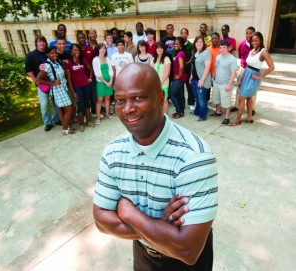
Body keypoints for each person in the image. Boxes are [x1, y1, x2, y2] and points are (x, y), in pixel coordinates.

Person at [93, 63, 218, 271]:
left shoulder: (194, 156)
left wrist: (129, 213)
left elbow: (188, 250)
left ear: (161, 98)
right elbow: (102, 221)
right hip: (143, 257)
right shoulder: (112, 152)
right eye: (120, 101)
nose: (128, 109)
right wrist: (160, 226)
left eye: (138, 98)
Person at [229, 32, 274, 126]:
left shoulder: (264, 51)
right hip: (246, 74)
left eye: (256, 40)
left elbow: (271, 67)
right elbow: (248, 65)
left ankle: (237, 120)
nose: (254, 42)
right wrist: (242, 77)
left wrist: (260, 76)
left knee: (242, 98)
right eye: (252, 40)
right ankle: (249, 118)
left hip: (253, 76)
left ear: (261, 40)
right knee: (249, 98)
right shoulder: (252, 50)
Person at [37, 46, 75, 135]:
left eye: (55, 53)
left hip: (62, 88)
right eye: (52, 53)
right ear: (47, 54)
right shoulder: (47, 65)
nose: (54, 54)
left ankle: (65, 127)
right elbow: (39, 79)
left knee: (60, 109)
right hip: (57, 90)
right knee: (69, 109)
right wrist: (52, 83)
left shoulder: (56, 63)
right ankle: (65, 129)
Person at [25, 35, 60, 131]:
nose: (41, 43)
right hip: (42, 84)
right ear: (36, 43)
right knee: (44, 104)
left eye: (43, 41)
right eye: (39, 41)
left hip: (53, 81)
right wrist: (35, 80)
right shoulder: (31, 55)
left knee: (56, 102)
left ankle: (56, 119)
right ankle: (48, 122)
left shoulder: (49, 53)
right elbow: (28, 70)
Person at [64, 43, 95, 132]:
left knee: (87, 104)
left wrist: (89, 78)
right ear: (71, 51)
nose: (76, 52)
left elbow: (90, 69)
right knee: (80, 106)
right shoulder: (68, 63)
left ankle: (88, 121)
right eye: (74, 50)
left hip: (86, 85)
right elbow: (69, 79)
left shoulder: (82, 60)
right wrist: (73, 92)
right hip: (77, 88)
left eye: (77, 50)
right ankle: (81, 124)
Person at [211, 40, 237, 125]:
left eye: (224, 47)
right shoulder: (218, 57)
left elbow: (233, 72)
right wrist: (213, 77)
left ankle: (227, 118)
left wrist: (229, 84)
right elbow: (216, 67)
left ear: (228, 48)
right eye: (220, 47)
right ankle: (218, 112)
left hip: (225, 83)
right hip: (217, 82)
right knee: (216, 98)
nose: (222, 49)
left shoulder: (232, 59)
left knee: (226, 101)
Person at [231, 26, 256, 114]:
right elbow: (240, 56)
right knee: (239, 87)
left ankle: (251, 108)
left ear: (254, 34)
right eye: (247, 33)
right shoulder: (242, 44)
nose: (248, 35)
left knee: (252, 89)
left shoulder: (258, 45)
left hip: (252, 70)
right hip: (243, 68)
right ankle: (237, 105)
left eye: (251, 33)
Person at [189, 36, 212, 121]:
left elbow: (207, 67)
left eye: (201, 42)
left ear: (203, 43)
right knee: (197, 97)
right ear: (194, 43)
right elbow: (193, 64)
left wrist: (202, 80)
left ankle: (203, 116)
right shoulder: (194, 52)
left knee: (202, 99)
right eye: (197, 42)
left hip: (202, 80)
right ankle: (197, 111)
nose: (199, 44)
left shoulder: (206, 53)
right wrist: (191, 76)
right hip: (194, 79)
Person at [92, 43, 114, 125]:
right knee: (100, 100)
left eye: (104, 48)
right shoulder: (95, 60)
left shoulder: (107, 58)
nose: (103, 50)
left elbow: (111, 70)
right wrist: (106, 82)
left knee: (108, 98)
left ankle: (107, 113)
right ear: (98, 50)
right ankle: (98, 116)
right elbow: (97, 74)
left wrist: (111, 81)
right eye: (101, 48)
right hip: (101, 82)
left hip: (109, 82)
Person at [77, 32, 97, 117]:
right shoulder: (76, 50)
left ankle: (94, 111)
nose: (81, 40)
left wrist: (92, 76)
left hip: (90, 76)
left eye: (83, 38)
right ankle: (84, 113)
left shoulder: (90, 49)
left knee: (93, 95)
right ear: (77, 39)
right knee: (83, 97)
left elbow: (94, 62)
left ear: (86, 38)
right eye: (79, 38)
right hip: (80, 77)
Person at [169, 37, 187, 119]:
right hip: (181, 77)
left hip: (180, 78)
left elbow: (181, 66)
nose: (175, 45)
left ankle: (179, 111)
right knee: (180, 95)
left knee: (172, 94)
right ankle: (181, 111)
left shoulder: (180, 54)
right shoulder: (179, 53)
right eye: (174, 44)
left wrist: (179, 75)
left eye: (177, 44)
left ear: (181, 45)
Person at [151, 42, 171, 113]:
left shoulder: (166, 59)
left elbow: (167, 72)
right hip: (155, 84)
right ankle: (159, 116)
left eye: (161, 48)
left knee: (165, 100)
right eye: (158, 48)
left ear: (163, 49)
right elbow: (151, 72)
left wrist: (161, 82)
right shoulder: (153, 59)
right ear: (156, 49)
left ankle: (166, 116)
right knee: (156, 100)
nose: (159, 50)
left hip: (164, 83)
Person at [180, 28, 195, 110]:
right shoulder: (179, 44)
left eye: (185, 33)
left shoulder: (191, 45)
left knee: (189, 86)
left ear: (187, 34)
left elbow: (192, 57)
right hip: (180, 69)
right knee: (180, 87)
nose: (184, 35)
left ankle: (191, 102)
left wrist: (187, 62)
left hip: (188, 68)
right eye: (182, 33)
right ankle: (180, 103)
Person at [207, 32, 221, 102]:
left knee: (217, 91)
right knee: (207, 89)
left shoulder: (221, 50)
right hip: (208, 73)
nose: (214, 40)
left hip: (218, 74)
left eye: (216, 38)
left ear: (219, 39)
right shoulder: (208, 49)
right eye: (213, 38)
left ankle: (218, 108)